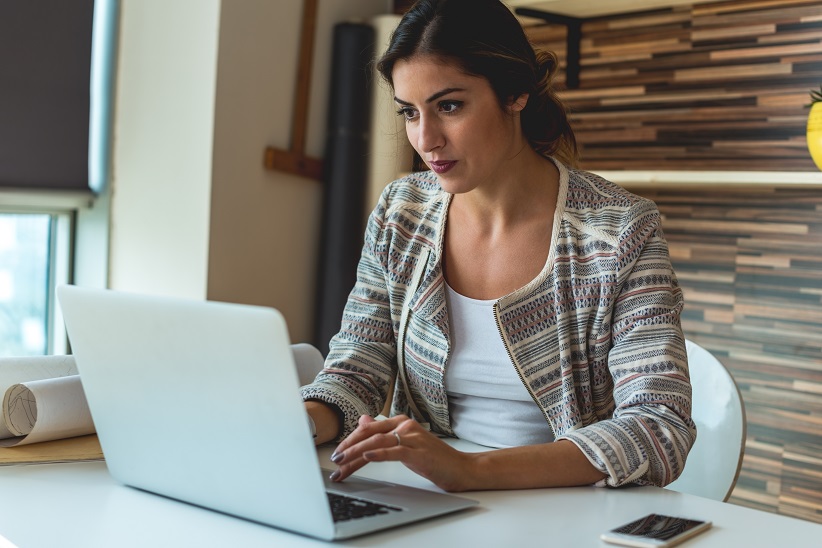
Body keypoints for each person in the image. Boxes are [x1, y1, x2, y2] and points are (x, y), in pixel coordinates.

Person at [301, 0, 695, 492]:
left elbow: (659, 425)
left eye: (450, 106)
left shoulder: (619, 232)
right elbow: (358, 365)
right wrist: (299, 420)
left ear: (516, 94)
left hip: (567, 508)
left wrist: (470, 472)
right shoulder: (401, 212)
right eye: (409, 112)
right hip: (431, 499)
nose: (426, 139)